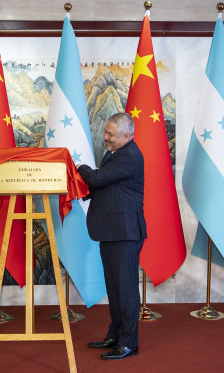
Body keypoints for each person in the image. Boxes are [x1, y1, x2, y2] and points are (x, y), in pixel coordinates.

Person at [76, 112, 146, 360]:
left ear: (127, 136)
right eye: (106, 132)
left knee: (125, 290)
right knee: (115, 288)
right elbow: (105, 185)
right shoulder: (115, 153)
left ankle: (128, 343)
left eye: (111, 135)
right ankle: (115, 334)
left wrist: (77, 167)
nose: (105, 137)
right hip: (112, 230)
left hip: (125, 233)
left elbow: (96, 178)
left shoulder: (129, 157)